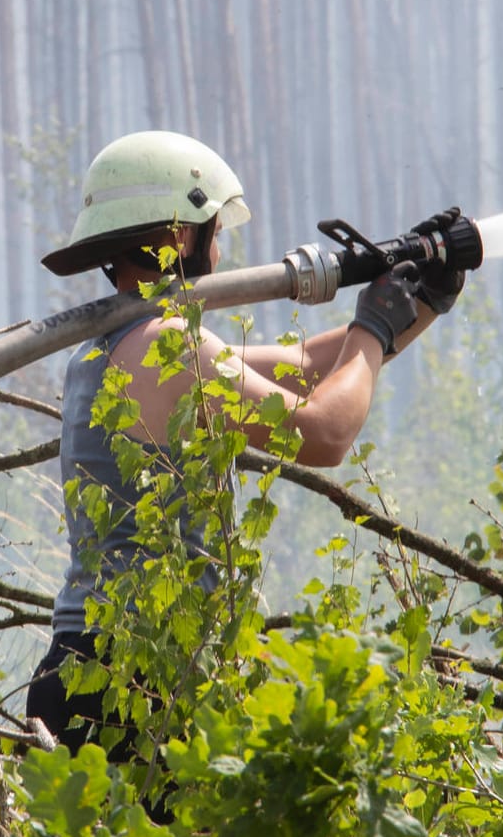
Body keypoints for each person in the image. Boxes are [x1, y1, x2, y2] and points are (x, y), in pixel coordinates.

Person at [24, 129, 465, 758]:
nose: (221, 245)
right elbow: (323, 431)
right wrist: (374, 323)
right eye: (213, 227)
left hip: (89, 673)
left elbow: (306, 365)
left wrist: (421, 299)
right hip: (132, 679)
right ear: (180, 233)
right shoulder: (167, 344)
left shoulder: (118, 347)